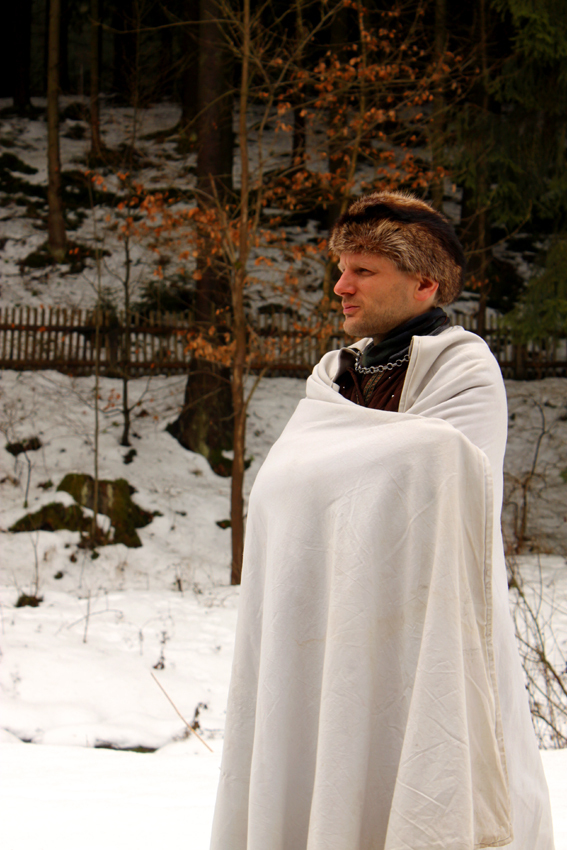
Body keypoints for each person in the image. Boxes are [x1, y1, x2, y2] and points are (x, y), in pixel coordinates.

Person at [210, 191, 555, 850]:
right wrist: (357, 469)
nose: (340, 286)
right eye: (341, 269)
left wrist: (348, 471)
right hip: (323, 620)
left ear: (424, 283)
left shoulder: (462, 366)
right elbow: (284, 488)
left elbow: (446, 476)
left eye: (362, 271)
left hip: (421, 621)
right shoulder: (332, 376)